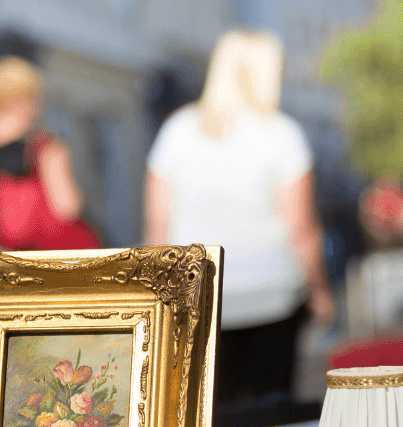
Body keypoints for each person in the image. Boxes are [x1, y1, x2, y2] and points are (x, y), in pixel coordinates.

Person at [144, 29, 335, 406]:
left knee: (206, 416)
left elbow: (157, 221)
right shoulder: (281, 134)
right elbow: (301, 226)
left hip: (200, 294)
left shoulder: (177, 131)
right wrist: (319, 290)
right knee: (272, 409)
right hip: (272, 290)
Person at [0, 56, 101, 251]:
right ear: (23, 99)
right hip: (65, 253)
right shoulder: (44, 145)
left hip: (18, 260)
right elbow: (67, 207)